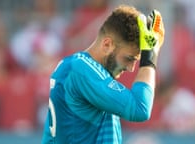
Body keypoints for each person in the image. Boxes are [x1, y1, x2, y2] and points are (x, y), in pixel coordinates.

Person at [41, 4, 164, 144]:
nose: (131, 68)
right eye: (129, 59)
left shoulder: (75, 67)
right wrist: (149, 58)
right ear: (107, 45)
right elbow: (140, 108)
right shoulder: (82, 70)